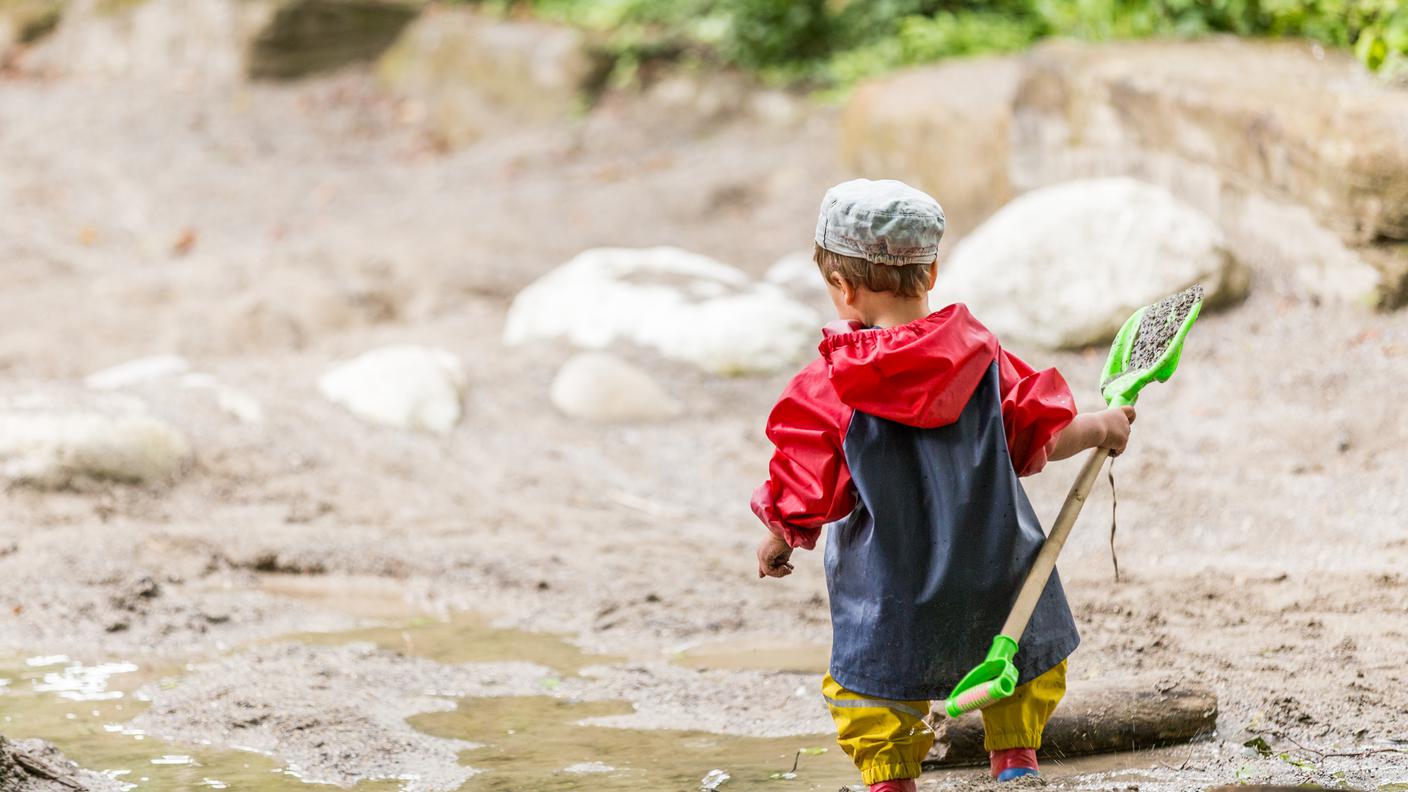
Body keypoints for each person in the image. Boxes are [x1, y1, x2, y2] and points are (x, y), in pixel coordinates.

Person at [751, 179, 1135, 790]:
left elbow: (808, 478)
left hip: (889, 588)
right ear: (930, 272)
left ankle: (891, 780)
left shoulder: (832, 382)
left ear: (843, 288)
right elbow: (1037, 434)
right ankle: (1014, 763)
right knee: (1017, 658)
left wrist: (782, 531)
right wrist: (1101, 426)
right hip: (993, 568)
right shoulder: (979, 356)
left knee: (873, 690)